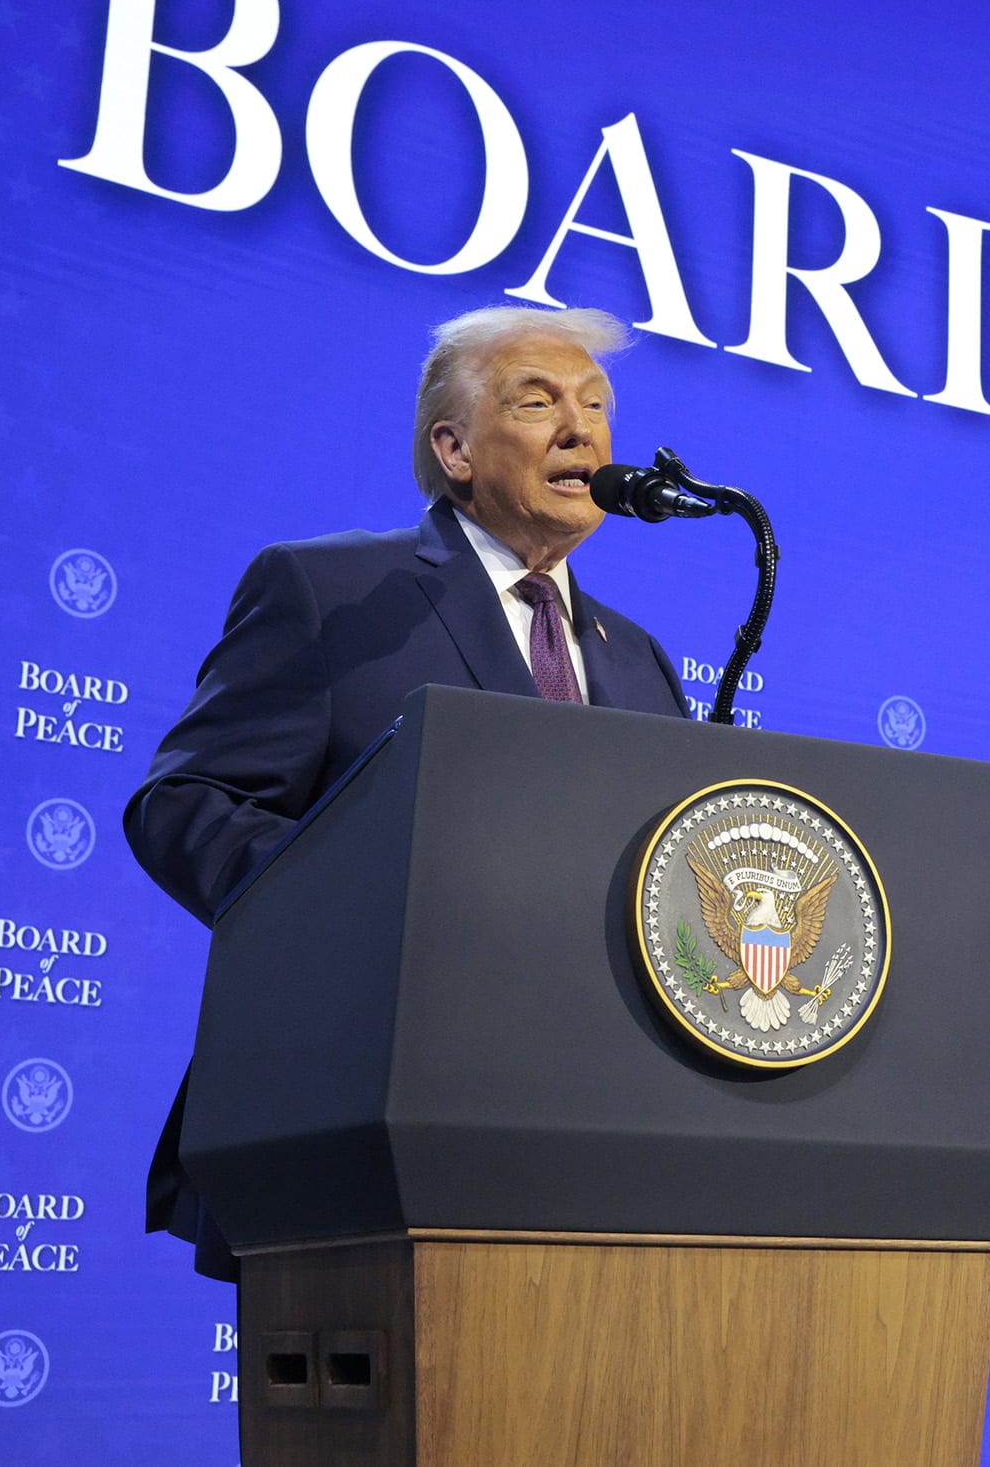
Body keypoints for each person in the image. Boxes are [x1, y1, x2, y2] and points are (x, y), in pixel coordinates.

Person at [125, 306, 691, 1281]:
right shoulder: (334, 592)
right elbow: (186, 801)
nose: (582, 428)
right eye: (538, 399)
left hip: (610, 1142)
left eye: (596, 405)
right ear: (454, 446)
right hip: (373, 1127)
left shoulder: (637, 659)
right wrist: (364, 901)